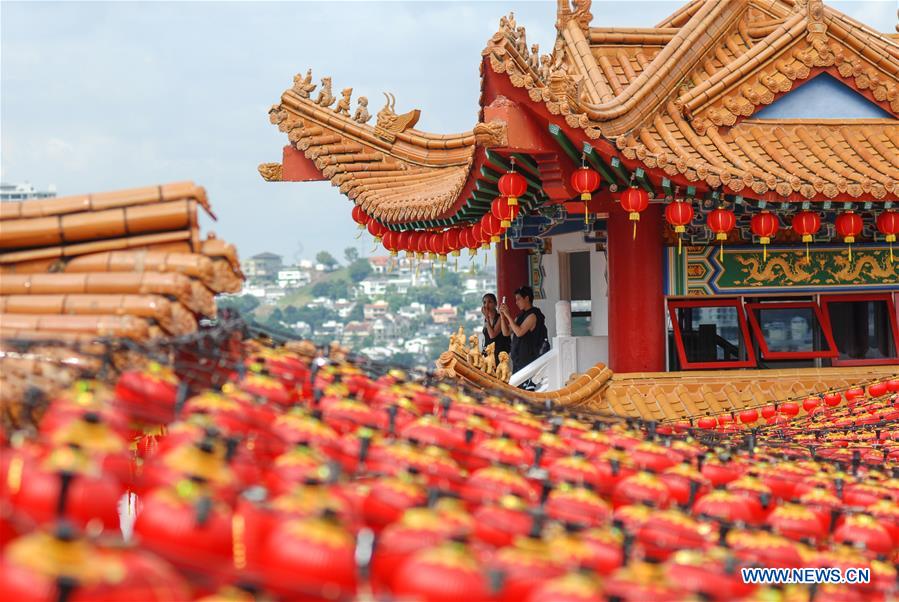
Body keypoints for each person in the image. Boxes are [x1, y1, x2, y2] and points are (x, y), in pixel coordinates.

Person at [499, 286, 549, 379]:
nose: (516, 302)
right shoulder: (520, 316)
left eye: (518, 299)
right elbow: (506, 332)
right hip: (518, 362)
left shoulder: (533, 315)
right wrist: (502, 316)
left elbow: (519, 332)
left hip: (529, 361)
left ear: (526, 298)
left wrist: (508, 315)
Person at [481, 293, 510, 362]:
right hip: (488, 353)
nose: (487, 305)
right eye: (484, 302)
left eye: (490, 302)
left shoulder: (500, 317)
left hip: (498, 354)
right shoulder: (487, 319)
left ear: (495, 304)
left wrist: (486, 318)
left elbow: (492, 335)